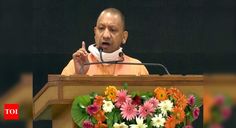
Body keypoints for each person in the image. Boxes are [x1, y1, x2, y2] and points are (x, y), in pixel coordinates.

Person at [61, 8, 149, 76]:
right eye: (101, 28)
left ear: (124, 37)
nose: (106, 35)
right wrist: (79, 75)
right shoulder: (77, 64)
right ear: (95, 33)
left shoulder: (137, 68)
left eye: (113, 30)